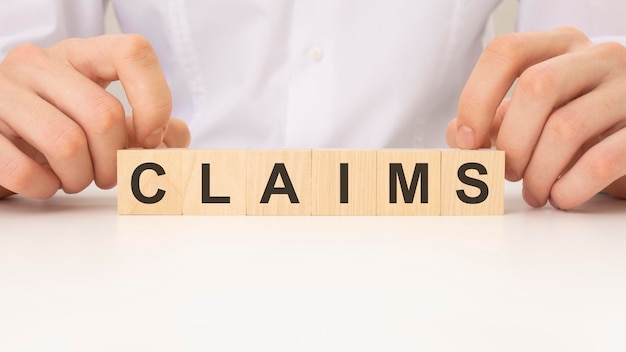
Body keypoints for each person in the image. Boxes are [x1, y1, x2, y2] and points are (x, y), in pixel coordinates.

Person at [0, 0, 625, 210]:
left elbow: (589, 64)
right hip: (139, 257)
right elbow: (23, 64)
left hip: (472, 250)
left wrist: (604, 130)